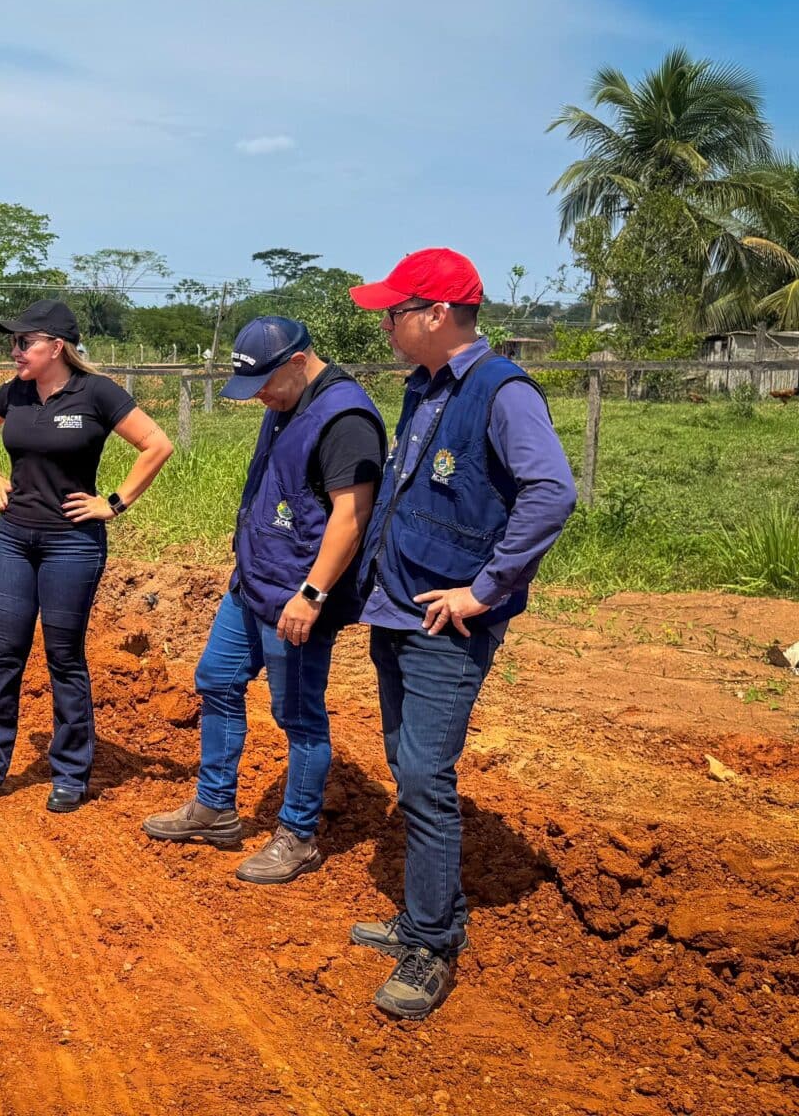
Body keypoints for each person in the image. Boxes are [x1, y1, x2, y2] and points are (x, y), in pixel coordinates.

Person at [343, 248, 576, 1020]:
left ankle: (433, 945)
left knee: (424, 778)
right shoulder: (425, 390)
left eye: (394, 311)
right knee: (405, 765)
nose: (385, 324)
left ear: (436, 314)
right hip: (398, 608)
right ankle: (418, 916)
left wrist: (484, 590)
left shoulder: (501, 392)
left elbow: (551, 491)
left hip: (446, 619)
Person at [142, 316, 384, 877]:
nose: (260, 400)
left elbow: (352, 516)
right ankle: (215, 807)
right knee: (217, 679)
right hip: (252, 583)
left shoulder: (346, 418)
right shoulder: (285, 403)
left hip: (298, 597)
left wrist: (312, 593)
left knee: (298, 716)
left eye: (266, 386)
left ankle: (298, 835)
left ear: (299, 363)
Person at [0, 299, 174, 812]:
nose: (14, 351)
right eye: (13, 342)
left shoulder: (95, 392)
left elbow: (157, 445)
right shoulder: (13, 392)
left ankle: (71, 773)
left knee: (64, 657)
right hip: (13, 538)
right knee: (6, 654)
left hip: (71, 544)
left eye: (23, 342)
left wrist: (115, 503)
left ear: (56, 347)